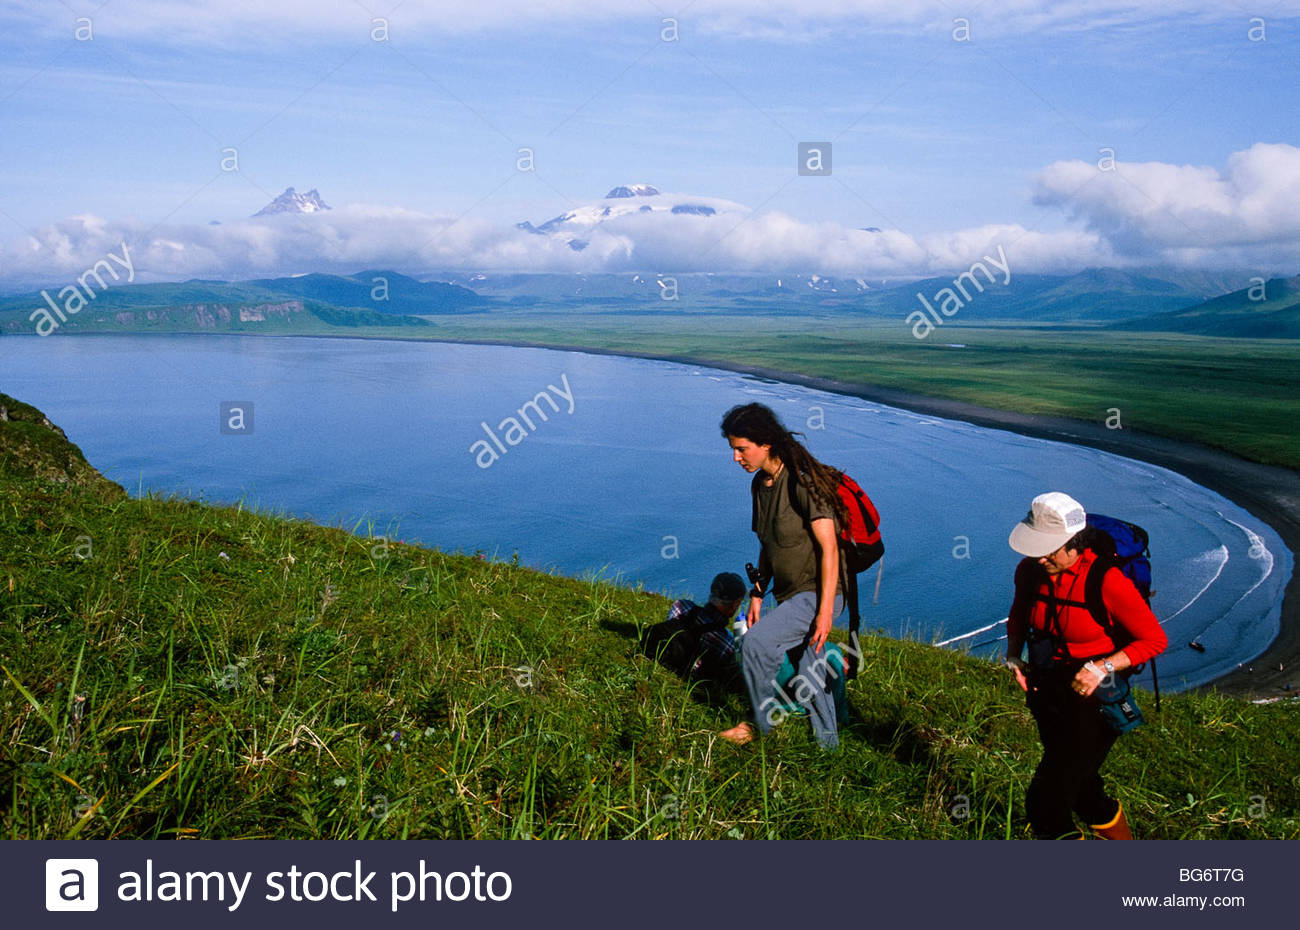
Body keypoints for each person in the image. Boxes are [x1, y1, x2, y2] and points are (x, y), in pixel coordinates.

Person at [1005, 492, 1167, 840]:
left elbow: (1154, 640)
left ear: (1075, 544)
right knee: (1083, 790)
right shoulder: (1030, 570)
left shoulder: (1106, 580)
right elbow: (1019, 613)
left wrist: (1102, 667)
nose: (1041, 557)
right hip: (1048, 690)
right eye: (1036, 548)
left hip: (1097, 700)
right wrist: (1014, 656)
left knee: (1045, 804)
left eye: (1050, 549)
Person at [717, 403, 845, 749]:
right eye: (733, 450)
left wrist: (824, 612)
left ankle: (762, 731)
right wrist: (758, 593)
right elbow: (768, 541)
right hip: (792, 594)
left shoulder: (803, 480)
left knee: (757, 646)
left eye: (741, 449)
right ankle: (829, 747)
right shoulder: (761, 485)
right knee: (808, 670)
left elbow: (830, 549)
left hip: (819, 592)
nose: (736, 458)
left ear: (765, 443)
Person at [647, 572, 748, 691]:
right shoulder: (728, 643)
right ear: (735, 604)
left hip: (661, 657)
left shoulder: (680, 606)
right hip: (688, 679)